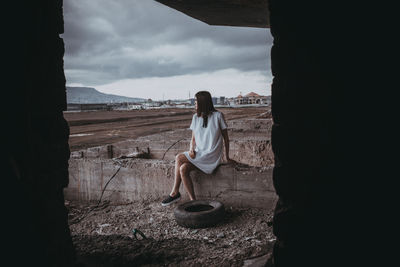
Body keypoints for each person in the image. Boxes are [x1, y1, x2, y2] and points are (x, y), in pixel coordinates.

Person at [161, 91, 234, 206]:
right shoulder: (195, 117)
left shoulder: (218, 116)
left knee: (178, 158)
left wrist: (227, 156)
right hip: (200, 154)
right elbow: (193, 138)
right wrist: (191, 149)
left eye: (196, 101)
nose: (194, 104)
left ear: (203, 102)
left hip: (211, 155)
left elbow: (226, 138)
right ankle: (193, 201)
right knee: (183, 169)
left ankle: (175, 192)